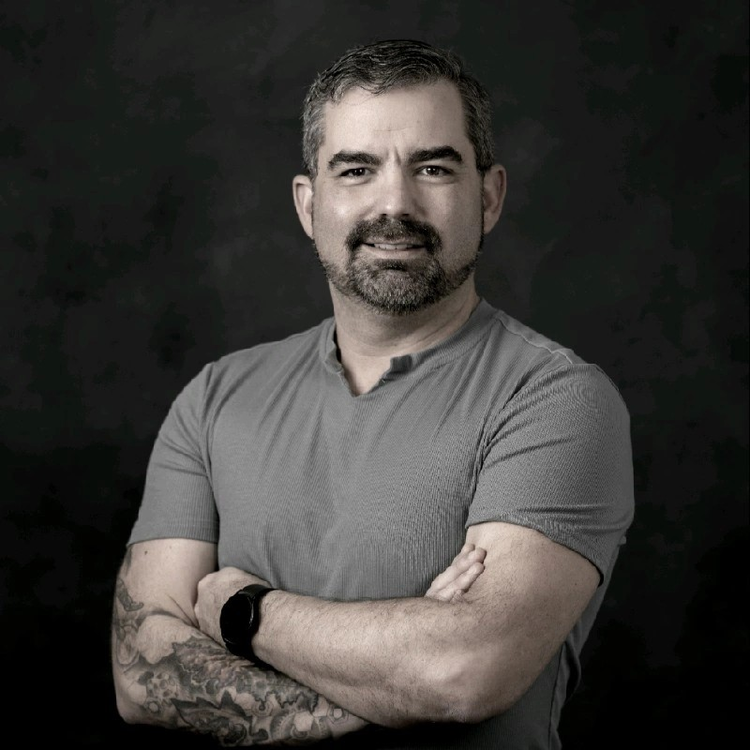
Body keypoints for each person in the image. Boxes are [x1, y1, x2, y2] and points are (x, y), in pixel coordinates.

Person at [111, 39, 635, 748]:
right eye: (357, 170)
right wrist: (395, 686)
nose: (395, 203)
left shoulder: (556, 401)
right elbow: (141, 674)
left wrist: (241, 612)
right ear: (309, 204)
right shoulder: (215, 398)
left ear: (488, 196)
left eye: (433, 168)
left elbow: (463, 671)